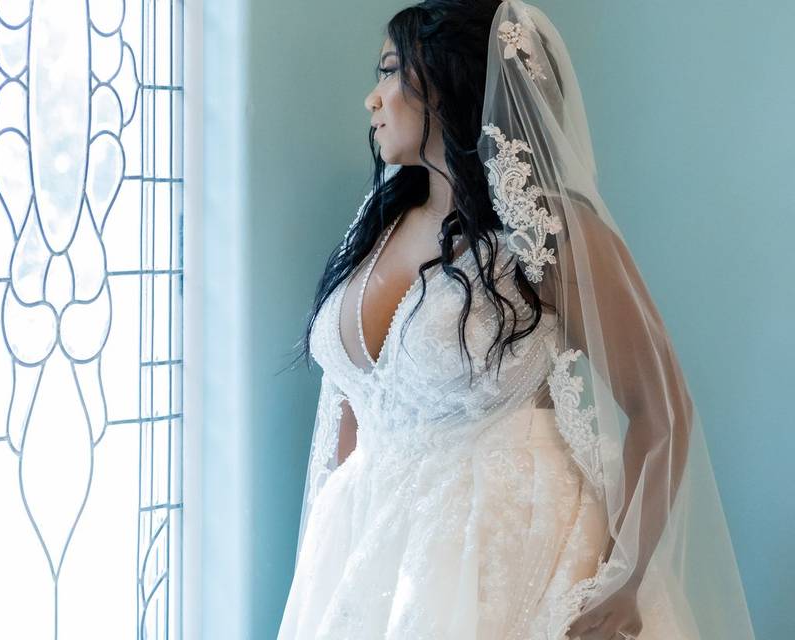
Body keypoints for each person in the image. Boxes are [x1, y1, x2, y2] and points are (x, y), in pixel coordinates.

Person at [278, 1, 756, 638]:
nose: (373, 98)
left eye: (392, 72)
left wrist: (625, 578)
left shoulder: (549, 235)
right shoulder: (372, 231)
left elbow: (661, 408)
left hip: (516, 559)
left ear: (449, 86)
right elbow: (349, 427)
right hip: (365, 567)